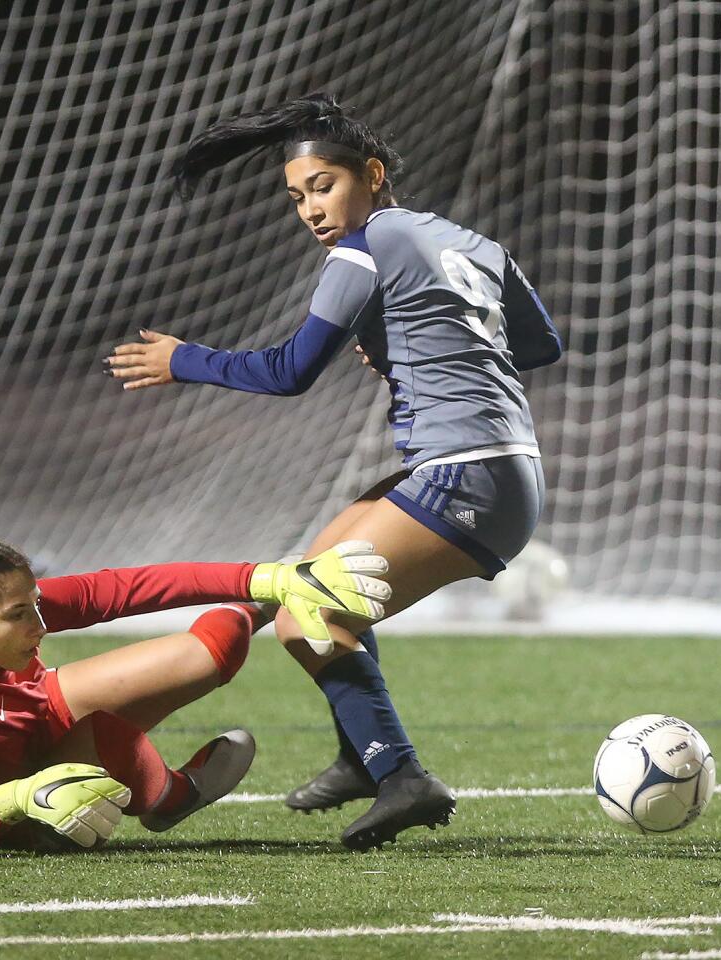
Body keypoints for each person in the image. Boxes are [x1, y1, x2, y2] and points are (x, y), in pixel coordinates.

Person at [102, 93, 562, 850]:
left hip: (466, 475)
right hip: (502, 466)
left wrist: (181, 358)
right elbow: (539, 347)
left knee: (305, 613)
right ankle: (362, 751)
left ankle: (401, 775)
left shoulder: (364, 248)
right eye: (295, 197)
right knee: (309, 575)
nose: (310, 210)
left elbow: (288, 372)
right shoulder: (473, 243)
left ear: (372, 175)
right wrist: (414, 337)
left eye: (323, 187)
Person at [0, 538, 389, 855]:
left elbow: (128, 587)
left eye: (36, 603)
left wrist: (265, 580)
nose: (40, 621)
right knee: (105, 732)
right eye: (20, 615)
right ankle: (169, 795)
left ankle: (264, 606)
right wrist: (19, 799)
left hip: (34, 715)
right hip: (20, 803)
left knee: (214, 651)